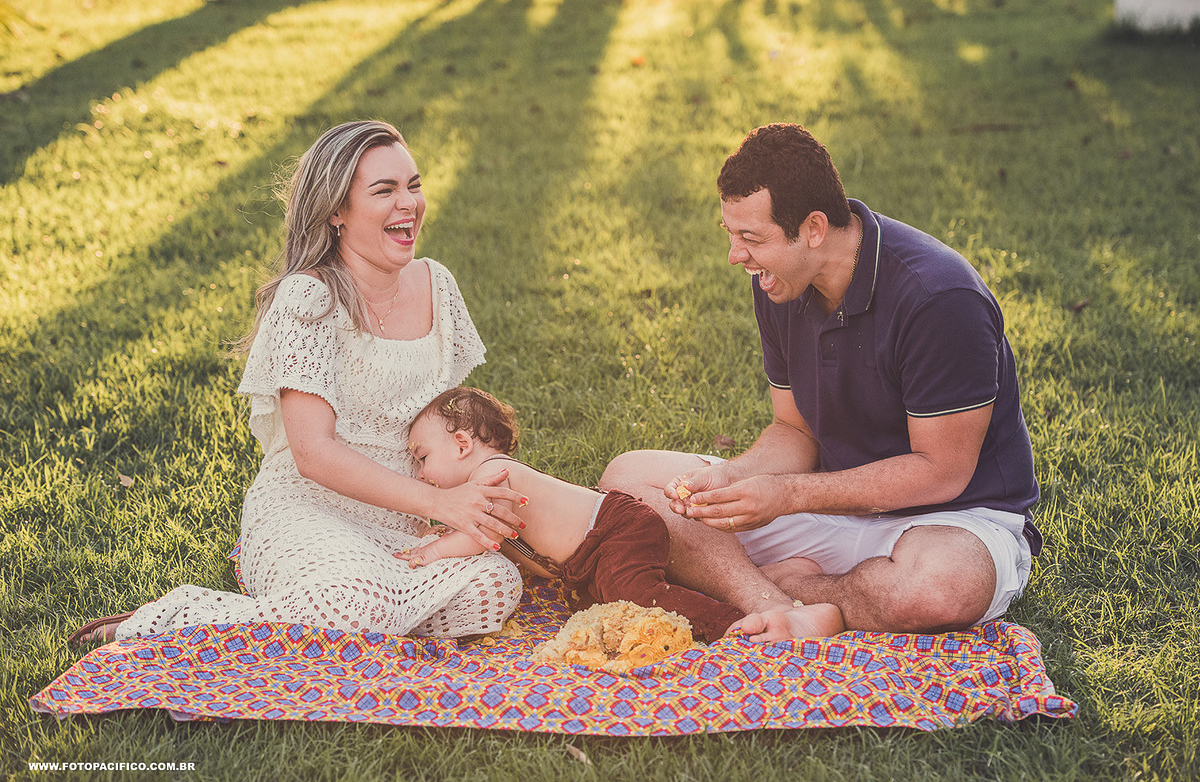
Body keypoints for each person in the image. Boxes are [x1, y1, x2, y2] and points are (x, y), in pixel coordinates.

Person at [68, 121, 527, 644]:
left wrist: (478, 493)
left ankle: (351, 609)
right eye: (384, 190)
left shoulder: (437, 284)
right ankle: (182, 615)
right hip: (306, 512)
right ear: (336, 211)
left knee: (495, 586)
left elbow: (449, 423)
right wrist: (442, 505)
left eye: (413, 185)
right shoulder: (309, 298)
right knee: (355, 604)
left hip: (407, 525)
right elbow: (313, 453)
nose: (408, 204)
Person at [600, 123, 1040, 643]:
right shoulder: (779, 281)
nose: (735, 256)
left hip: (948, 521)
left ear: (813, 228)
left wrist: (785, 495)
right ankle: (775, 603)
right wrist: (734, 479)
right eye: (730, 234)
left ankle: (790, 585)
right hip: (827, 505)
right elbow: (795, 431)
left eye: (751, 238)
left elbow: (941, 473)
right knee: (628, 479)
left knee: (939, 591)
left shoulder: (939, 299)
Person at [396, 386, 748, 644]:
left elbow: (484, 535)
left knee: (637, 595)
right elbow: (500, 540)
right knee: (607, 612)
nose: (421, 474)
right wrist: (452, 532)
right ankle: (703, 596)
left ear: (462, 444)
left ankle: (726, 622)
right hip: (593, 553)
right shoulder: (486, 482)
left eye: (423, 458)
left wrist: (434, 551)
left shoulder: (492, 474)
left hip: (616, 530)